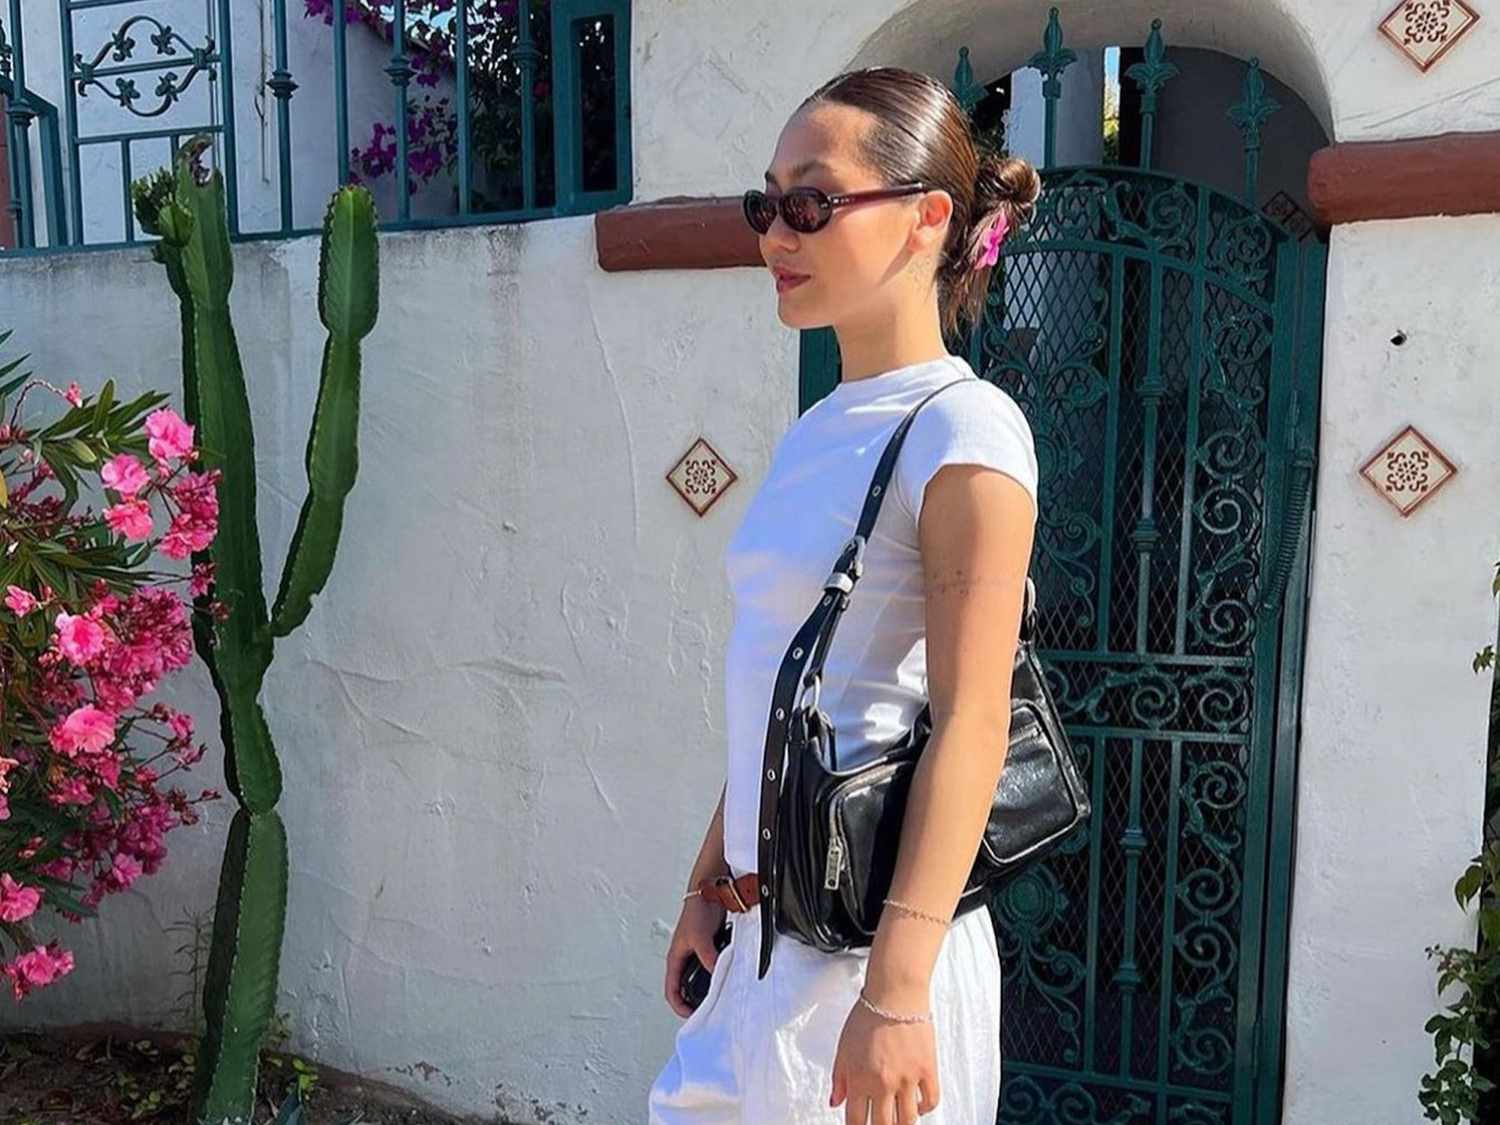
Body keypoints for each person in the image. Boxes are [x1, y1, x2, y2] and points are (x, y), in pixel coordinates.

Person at [648, 64, 1042, 1125]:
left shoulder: (966, 431)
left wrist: (900, 995)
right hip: (759, 952)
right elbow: (786, 684)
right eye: (765, 204)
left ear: (927, 219)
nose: (778, 233)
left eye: (812, 203)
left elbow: (974, 723)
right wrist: (706, 886)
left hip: (868, 963)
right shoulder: (822, 426)